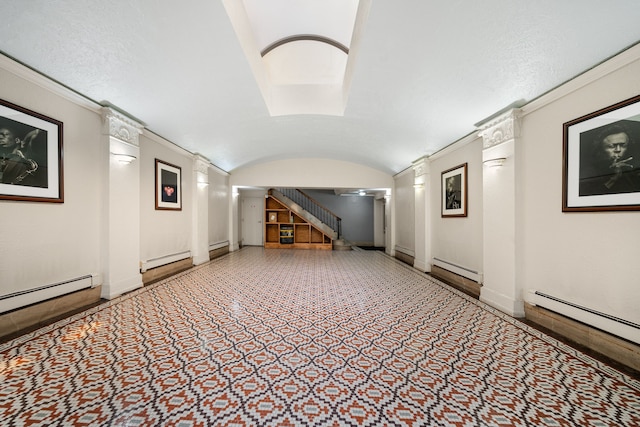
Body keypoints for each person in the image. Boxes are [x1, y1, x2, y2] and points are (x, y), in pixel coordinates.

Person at [579, 122, 640, 196]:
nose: (618, 150)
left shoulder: (634, 171)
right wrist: (613, 179)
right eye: (611, 146)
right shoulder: (588, 173)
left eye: (623, 145)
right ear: (600, 149)